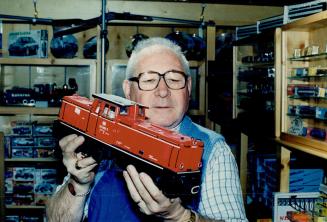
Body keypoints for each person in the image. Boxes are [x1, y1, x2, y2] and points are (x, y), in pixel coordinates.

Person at [46, 37, 248, 222]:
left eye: (175, 79)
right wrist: (78, 183)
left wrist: (180, 216)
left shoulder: (214, 150)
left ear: (188, 87)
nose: (162, 92)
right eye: (149, 80)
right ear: (128, 90)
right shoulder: (103, 138)